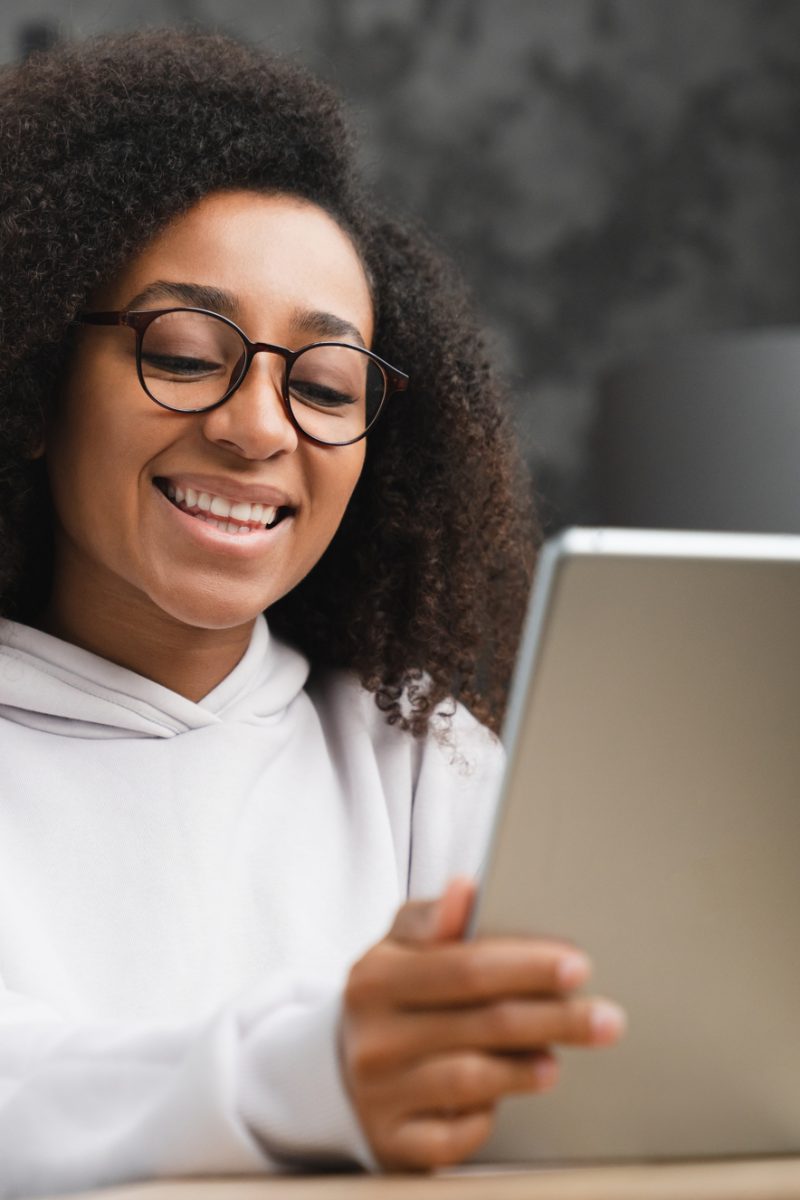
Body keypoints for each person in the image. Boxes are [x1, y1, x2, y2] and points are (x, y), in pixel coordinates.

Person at [0, 29, 625, 1196]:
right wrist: (305, 1071)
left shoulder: (414, 760)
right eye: (183, 354)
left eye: (325, 385)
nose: (260, 427)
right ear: (34, 384)